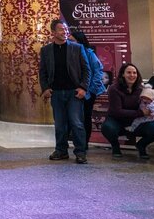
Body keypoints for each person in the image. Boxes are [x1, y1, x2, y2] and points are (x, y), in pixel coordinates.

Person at [38, 19, 89, 163]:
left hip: (74, 92)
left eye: (66, 29)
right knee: (59, 124)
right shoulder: (46, 50)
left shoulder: (77, 48)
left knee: (76, 123)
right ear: (53, 32)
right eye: (61, 29)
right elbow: (42, 72)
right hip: (56, 93)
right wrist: (45, 88)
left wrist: (83, 87)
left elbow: (86, 69)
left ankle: (80, 152)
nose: (65, 32)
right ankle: (61, 150)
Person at [102, 62, 154, 159]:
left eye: (134, 73)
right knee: (107, 128)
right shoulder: (114, 88)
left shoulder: (141, 88)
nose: (132, 75)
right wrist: (141, 113)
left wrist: (152, 110)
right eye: (129, 72)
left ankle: (141, 145)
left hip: (137, 121)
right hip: (118, 120)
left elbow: (150, 103)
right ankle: (115, 147)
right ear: (123, 74)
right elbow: (117, 111)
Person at [70, 28, 105, 146]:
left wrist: (90, 91)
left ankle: (84, 144)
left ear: (79, 41)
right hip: (77, 91)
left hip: (89, 91)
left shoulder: (89, 53)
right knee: (76, 117)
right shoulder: (71, 53)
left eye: (72, 40)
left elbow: (98, 72)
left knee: (85, 117)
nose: (69, 43)